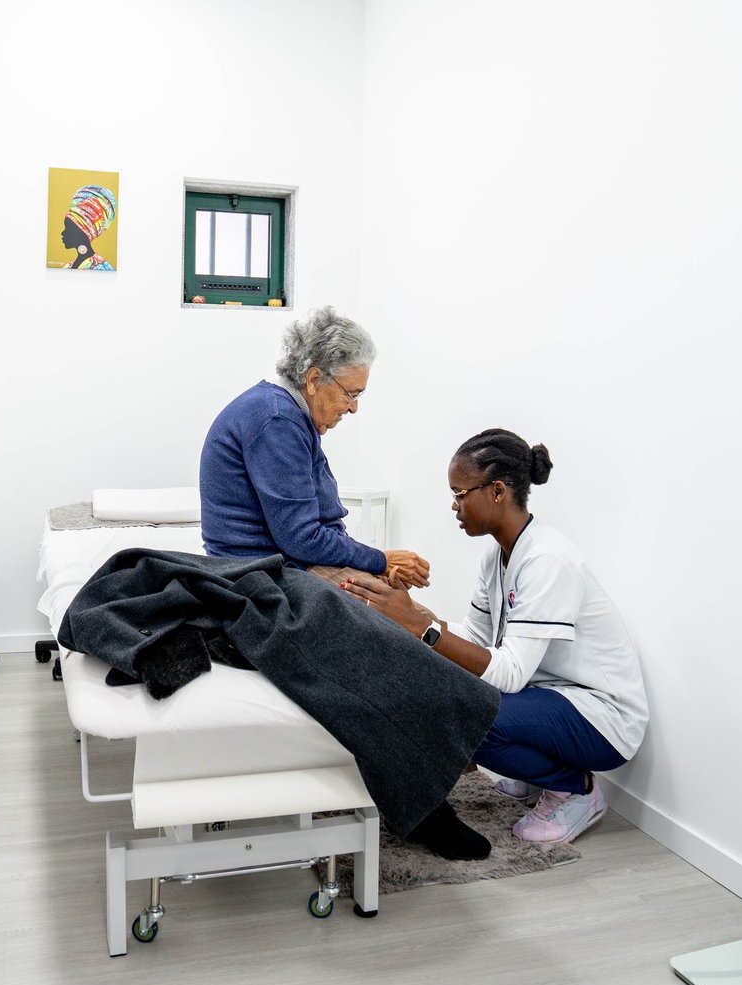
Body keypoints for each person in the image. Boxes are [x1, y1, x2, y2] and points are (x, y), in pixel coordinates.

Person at [343, 429, 648, 845]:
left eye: (461, 494)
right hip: (555, 695)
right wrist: (411, 615)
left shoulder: (547, 561)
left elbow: (510, 674)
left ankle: (576, 789)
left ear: (498, 491)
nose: (454, 506)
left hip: (604, 717)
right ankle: (535, 771)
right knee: (449, 688)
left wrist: (421, 627)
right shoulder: (497, 554)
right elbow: (476, 637)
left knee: (470, 716)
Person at [199, 307, 429, 589]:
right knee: (410, 623)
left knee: (406, 608)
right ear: (313, 379)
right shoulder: (277, 420)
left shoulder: (286, 414)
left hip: (286, 566)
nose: (353, 408)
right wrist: (380, 560)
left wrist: (375, 563)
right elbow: (302, 538)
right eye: (351, 394)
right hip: (261, 576)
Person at [58, 184, 116, 270]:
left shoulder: (101, 268)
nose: (62, 233)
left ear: (83, 233)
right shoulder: (68, 266)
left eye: (68, 229)